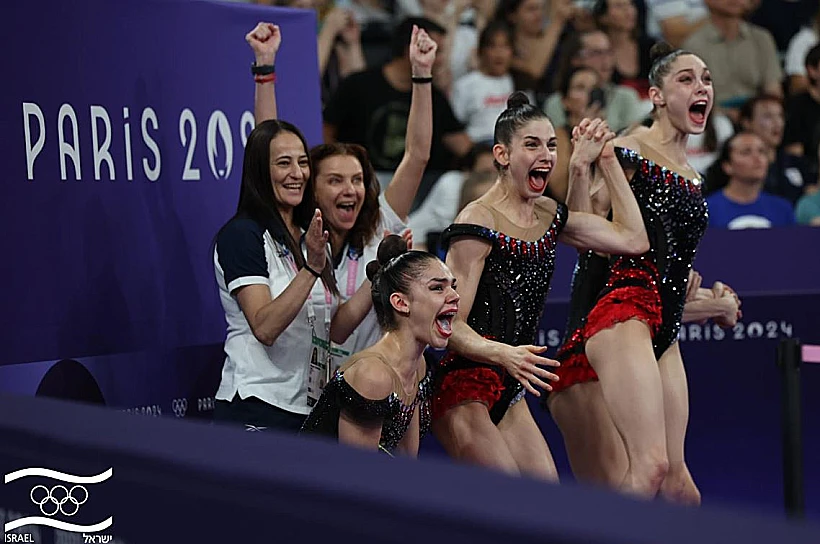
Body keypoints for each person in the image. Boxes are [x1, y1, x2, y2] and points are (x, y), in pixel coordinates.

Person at [430, 92, 650, 480]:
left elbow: (633, 239)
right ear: (502, 154)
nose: (546, 154)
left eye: (551, 145)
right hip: (464, 386)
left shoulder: (549, 212)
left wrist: (608, 160)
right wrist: (502, 353)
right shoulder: (478, 220)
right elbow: (448, 326)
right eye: (531, 145)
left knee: (545, 504)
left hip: (509, 388)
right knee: (508, 508)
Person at [547, 42, 715, 502]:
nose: (701, 87)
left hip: (663, 325)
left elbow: (670, 263)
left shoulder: (692, 172)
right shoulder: (627, 149)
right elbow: (584, 231)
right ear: (656, 95)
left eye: (706, 79)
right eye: (686, 79)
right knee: (650, 469)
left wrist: (706, 298)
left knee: (682, 491)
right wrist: (581, 168)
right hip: (619, 314)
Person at [248, 22, 438, 375]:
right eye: (335, 180)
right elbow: (268, 151)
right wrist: (264, 68)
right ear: (311, 186)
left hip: (373, 384)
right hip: (306, 390)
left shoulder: (381, 224)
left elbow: (417, 156)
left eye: (357, 180)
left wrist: (422, 74)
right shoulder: (296, 234)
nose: (350, 190)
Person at [212, 118, 338, 432]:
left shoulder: (311, 235)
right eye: (284, 163)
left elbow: (336, 327)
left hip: (311, 408)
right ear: (260, 171)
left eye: (303, 162)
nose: (298, 174)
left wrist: (380, 276)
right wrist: (312, 268)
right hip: (259, 405)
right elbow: (265, 327)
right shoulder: (242, 235)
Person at [301, 235, 458, 456]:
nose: (455, 296)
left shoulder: (418, 365)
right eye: (438, 288)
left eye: (453, 286)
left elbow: (405, 460)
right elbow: (357, 476)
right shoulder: (372, 376)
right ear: (401, 303)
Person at [704, 132, 795, 230]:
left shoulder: (782, 209)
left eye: (762, 151)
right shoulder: (708, 211)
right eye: (746, 152)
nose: (757, 158)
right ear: (727, 166)